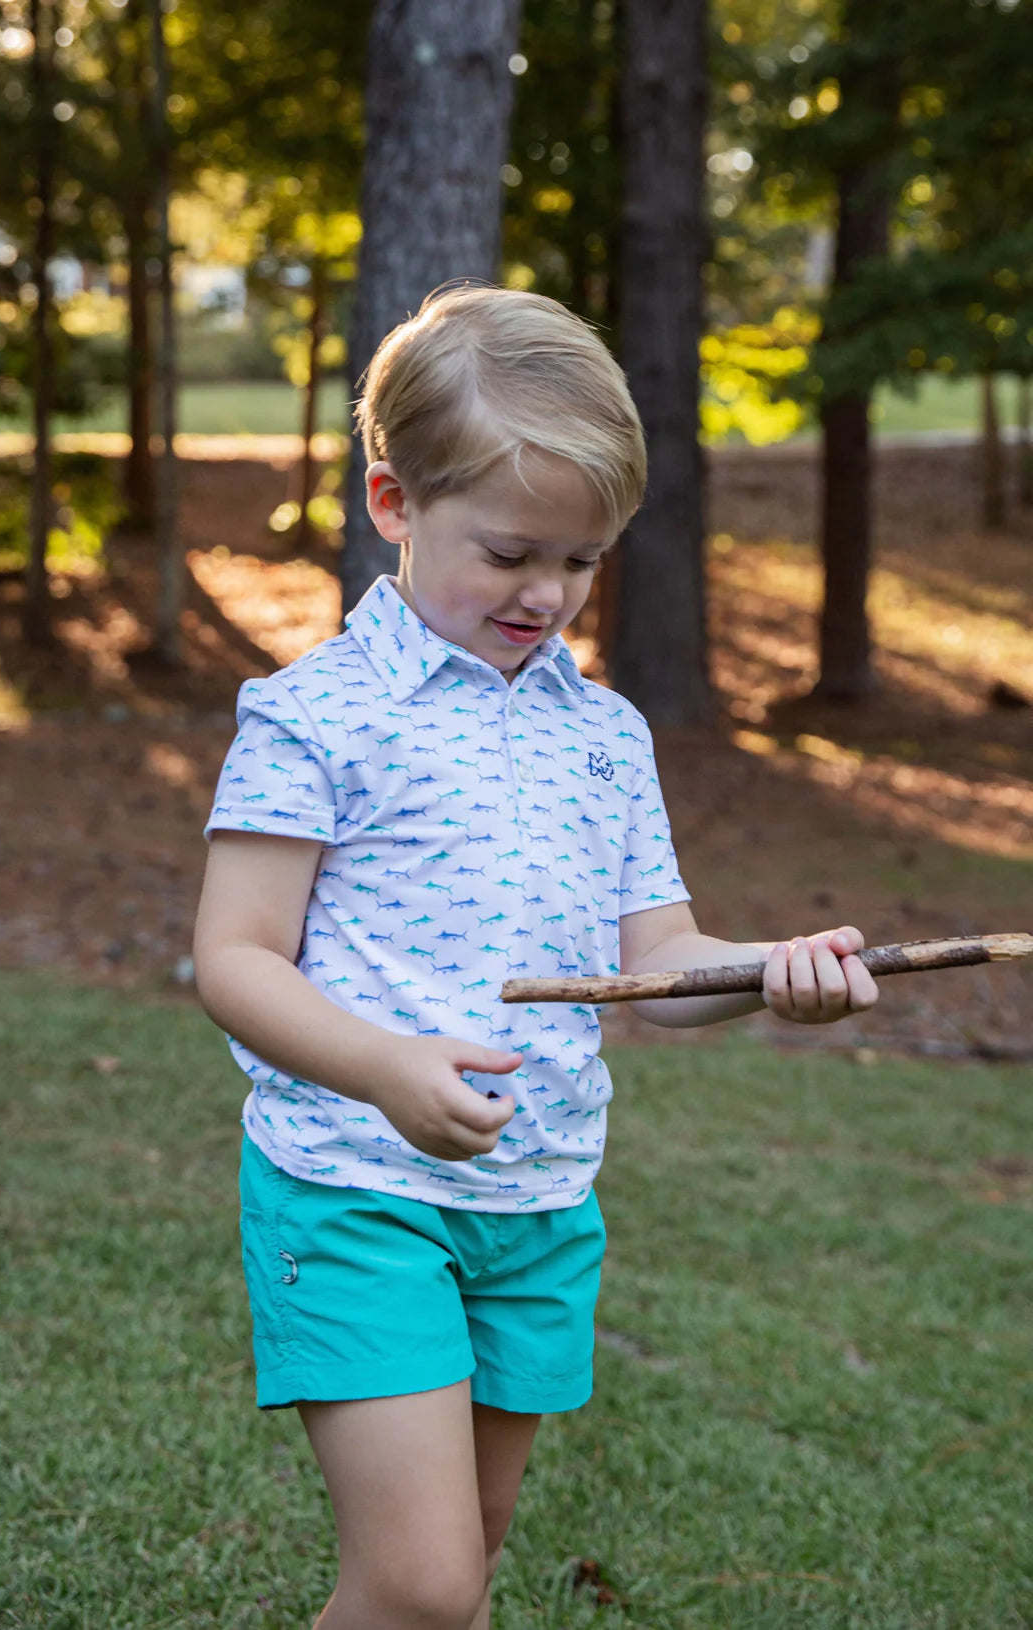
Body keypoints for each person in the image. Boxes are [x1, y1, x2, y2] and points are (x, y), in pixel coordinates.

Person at [193, 283, 879, 1630]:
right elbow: (234, 957)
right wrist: (386, 1065)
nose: (548, 594)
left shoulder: (604, 736)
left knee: (474, 1557)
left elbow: (661, 958)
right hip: (355, 1184)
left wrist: (770, 972)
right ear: (392, 503)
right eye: (510, 552)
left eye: (581, 562)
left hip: (542, 1198)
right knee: (420, 1580)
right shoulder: (313, 718)